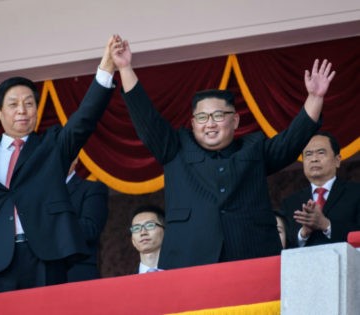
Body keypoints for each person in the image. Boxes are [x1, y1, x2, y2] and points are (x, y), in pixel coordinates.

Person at [110, 35, 336, 269]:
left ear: (235, 120)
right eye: (202, 117)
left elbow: (291, 141)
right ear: (193, 122)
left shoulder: (254, 148)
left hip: (251, 257)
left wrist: (315, 97)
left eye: (218, 116)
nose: (210, 124)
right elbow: (146, 119)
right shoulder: (175, 148)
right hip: (190, 261)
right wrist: (125, 68)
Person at [0, 36, 117, 299]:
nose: (22, 111)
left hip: (45, 259)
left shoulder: (52, 146)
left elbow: (85, 118)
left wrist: (106, 68)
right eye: (13, 104)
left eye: (29, 103)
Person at [281, 131, 360, 248]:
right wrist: (303, 234)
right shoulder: (290, 203)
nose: (314, 159)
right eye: (308, 154)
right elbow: (283, 246)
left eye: (321, 153)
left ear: (337, 160)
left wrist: (326, 225)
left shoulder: (356, 193)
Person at [66, 158, 109, 282]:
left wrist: (53, 222)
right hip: (43, 273)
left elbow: (90, 229)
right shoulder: (42, 195)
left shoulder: (92, 188)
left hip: (78, 272)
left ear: (74, 160)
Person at [130, 205, 165, 273]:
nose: (143, 232)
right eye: (136, 228)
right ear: (132, 240)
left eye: (150, 225)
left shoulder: (182, 271)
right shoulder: (126, 281)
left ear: (165, 232)